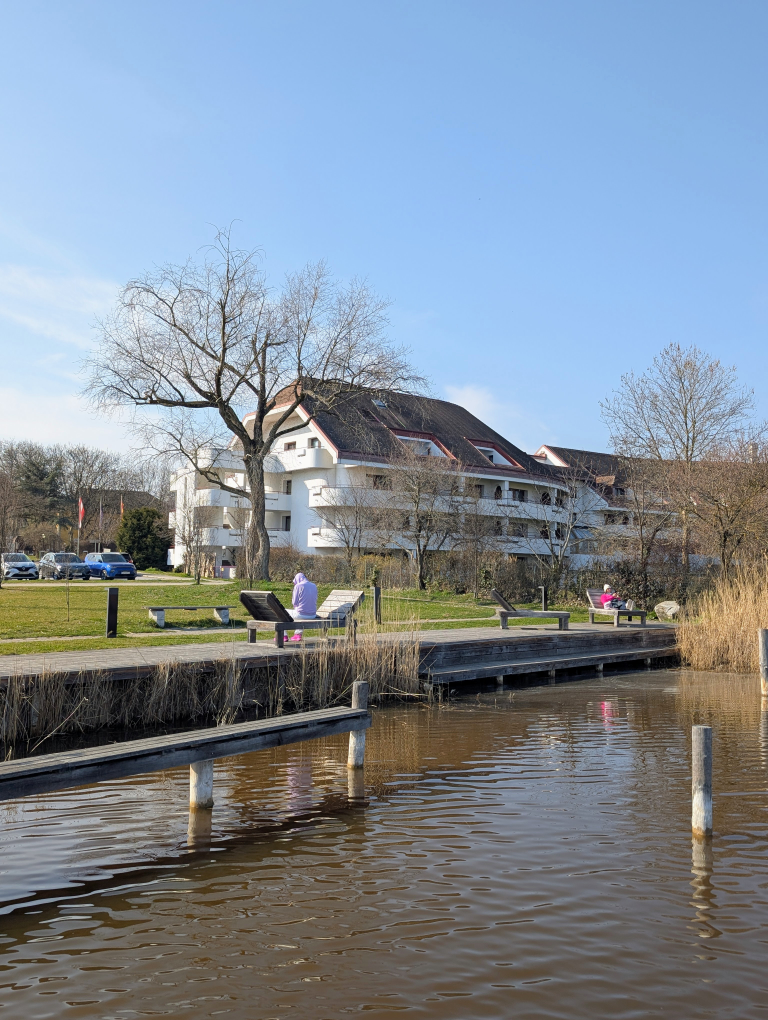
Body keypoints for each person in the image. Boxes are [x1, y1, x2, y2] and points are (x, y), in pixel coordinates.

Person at [288, 571, 318, 642]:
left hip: (301, 614)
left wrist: (296, 607)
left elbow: (294, 602)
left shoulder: (298, 586)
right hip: (312, 615)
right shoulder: (314, 586)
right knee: (301, 614)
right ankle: (298, 635)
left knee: (281, 612)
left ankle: (283, 635)